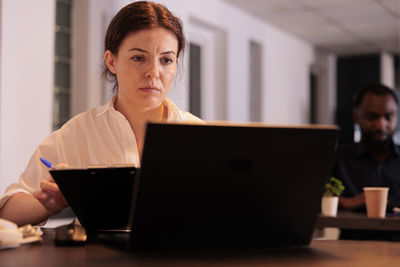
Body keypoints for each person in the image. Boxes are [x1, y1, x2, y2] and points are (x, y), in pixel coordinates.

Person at [0, 1, 203, 226]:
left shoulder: (199, 134)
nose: (154, 72)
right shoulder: (79, 133)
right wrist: (50, 204)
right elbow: (7, 213)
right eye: (139, 58)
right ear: (112, 61)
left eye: (166, 60)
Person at [331, 83, 400, 240]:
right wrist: (345, 202)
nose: (381, 125)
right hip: (351, 253)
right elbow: (312, 199)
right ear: (357, 117)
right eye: (372, 117)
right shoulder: (339, 158)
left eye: (388, 117)